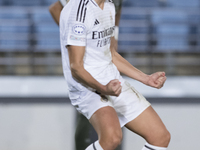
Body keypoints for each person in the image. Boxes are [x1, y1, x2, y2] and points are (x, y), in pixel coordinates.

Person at [60, 0, 171, 150]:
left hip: (112, 82)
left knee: (160, 137)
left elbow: (110, 54)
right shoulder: (78, 10)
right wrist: (103, 88)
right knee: (112, 138)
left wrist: (146, 78)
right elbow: (76, 68)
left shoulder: (110, 6)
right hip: (87, 87)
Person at [49, 0, 123, 149]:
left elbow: (116, 16)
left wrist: (112, 35)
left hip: (104, 57)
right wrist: (80, 39)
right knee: (88, 110)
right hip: (87, 61)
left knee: (116, 108)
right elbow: (55, 8)